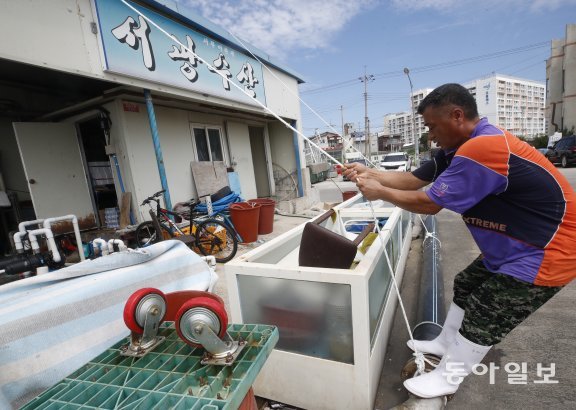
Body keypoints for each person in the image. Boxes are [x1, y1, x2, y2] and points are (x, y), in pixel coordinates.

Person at [343, 83, 576, 399]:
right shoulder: (458, 148)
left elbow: (429, 203)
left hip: (547, 252)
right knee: (467, 283)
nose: (430, 135)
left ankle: (449, 377)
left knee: (485, 311)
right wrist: (368, 173)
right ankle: (443, 343)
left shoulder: (484, 148)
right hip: (517, 244)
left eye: (432, 126)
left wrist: (380, 192)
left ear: (456, 115)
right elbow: (413, 180)